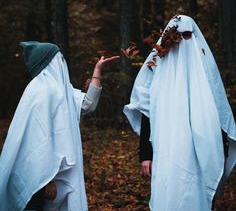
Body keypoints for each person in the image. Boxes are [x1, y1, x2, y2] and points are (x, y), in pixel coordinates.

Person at [124, 15, 236, 211]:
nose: (184, 41)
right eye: (179, 35)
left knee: (196, 197)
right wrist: (145, 154)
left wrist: (223, 150)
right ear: (168, 38)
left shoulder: (205, 71)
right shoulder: (155, 71)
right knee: (170, 196)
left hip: (200, 151)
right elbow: (147, 114)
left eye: (187, 35)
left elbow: (219, 113)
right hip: (167, 150)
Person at [0, 41, 119, 211]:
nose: (63, 62)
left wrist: (97, 71)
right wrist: (46, 180)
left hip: (55, 173)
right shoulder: (41, 92)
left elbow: (87, 104)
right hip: (39, 176)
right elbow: (35, 141)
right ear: (50, 62)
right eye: (59, 58)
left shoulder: (61, 90)